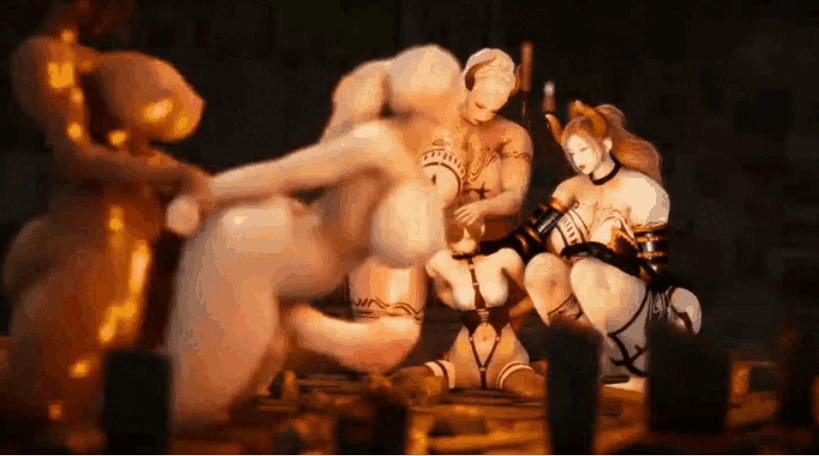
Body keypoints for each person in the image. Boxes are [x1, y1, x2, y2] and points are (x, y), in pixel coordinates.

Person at [163, 45, 462, 428]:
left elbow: (413, 242)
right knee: (195, 405)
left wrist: (452, 271)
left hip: (303, 260)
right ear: (442, 106)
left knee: (223, 400)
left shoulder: (413, 163)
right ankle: (298, 329)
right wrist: (202, 195)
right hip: (271, 248)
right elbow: (284, 173)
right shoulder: (377, 143)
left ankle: (297, 328)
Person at [2, 0, 210, 430]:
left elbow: (129, 151)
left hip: (134, 235)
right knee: (58, 397)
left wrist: (177, 174)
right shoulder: (44, 54)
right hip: (95, 232)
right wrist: (173, 174)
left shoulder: (95, 60)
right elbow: (73, 156)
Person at [480, 100, 702, 391]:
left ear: (606, 144)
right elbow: (530, 237)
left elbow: (653, 270)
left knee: (585, 270)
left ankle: (634, 364)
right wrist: (485, 250)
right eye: (571, 153)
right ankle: (590, 356)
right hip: (589, 296)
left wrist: (608, 256)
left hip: (634, 303)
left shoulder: (643, 190)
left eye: (583, 149)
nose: (578, 159)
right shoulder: (571, 189)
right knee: (540, 267)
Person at [392, 221, 545, 399]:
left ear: (480, 229)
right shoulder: (443, 264)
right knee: (402, 380)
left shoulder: (503, 257)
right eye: (456, 233)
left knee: (533, 391)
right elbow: (441, 291)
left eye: (469, 231)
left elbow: (535, 294)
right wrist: (465, 309)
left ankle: (536, 368)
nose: (464, 237)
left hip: (504, 361)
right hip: (462, 363)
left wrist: (509, 313)